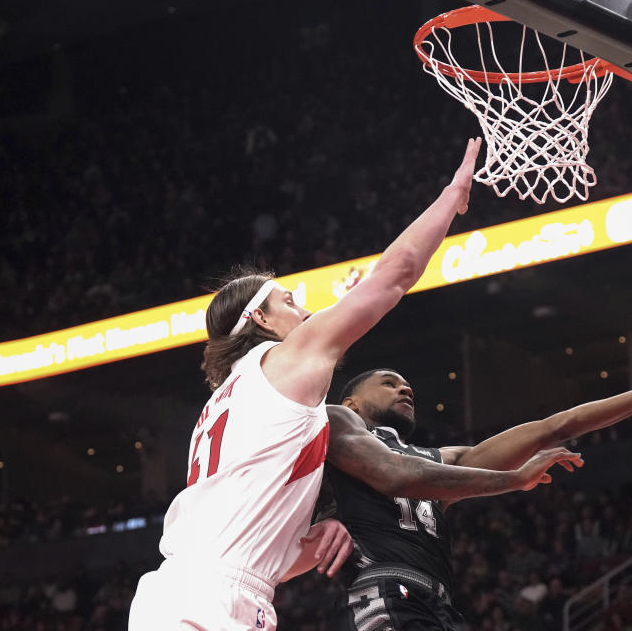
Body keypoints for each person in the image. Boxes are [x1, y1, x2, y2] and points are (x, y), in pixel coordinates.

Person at [128, 138, 581, 630]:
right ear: (259, 317)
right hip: (212, 600)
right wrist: (451, 197)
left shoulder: (222, 404)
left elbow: (251, 537)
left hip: (186, 592)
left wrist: (312, 537)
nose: (303, 310)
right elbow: (394, 276)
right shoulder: (282, 362)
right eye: (288, 300)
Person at [324, 335, 632, 630]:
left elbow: (556, 426)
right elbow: (392, 473)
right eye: (389, 382)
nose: (405, 387)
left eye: (405, 383)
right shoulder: (337, 423)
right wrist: (513, 479)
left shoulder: (444, 460)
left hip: (440, 603)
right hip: (384, 592)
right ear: (353, 403)